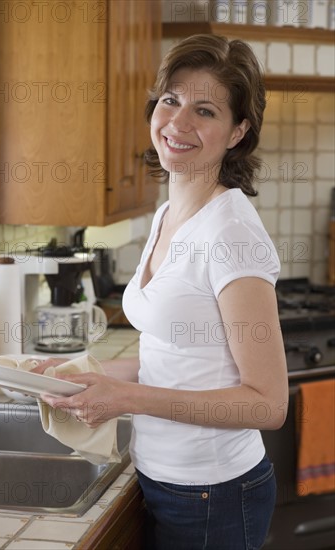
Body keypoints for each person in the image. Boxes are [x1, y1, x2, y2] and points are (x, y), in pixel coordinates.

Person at [39, 34, 289, 550]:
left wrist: (126, 398)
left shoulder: (231, 235)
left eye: (205, 110)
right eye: (170, 100)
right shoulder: (168, 213)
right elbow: (176, 358)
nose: (177, 122)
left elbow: (268, 404)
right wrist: (83, 377)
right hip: (165, 480)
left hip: (214, 494)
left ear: (238, 131)